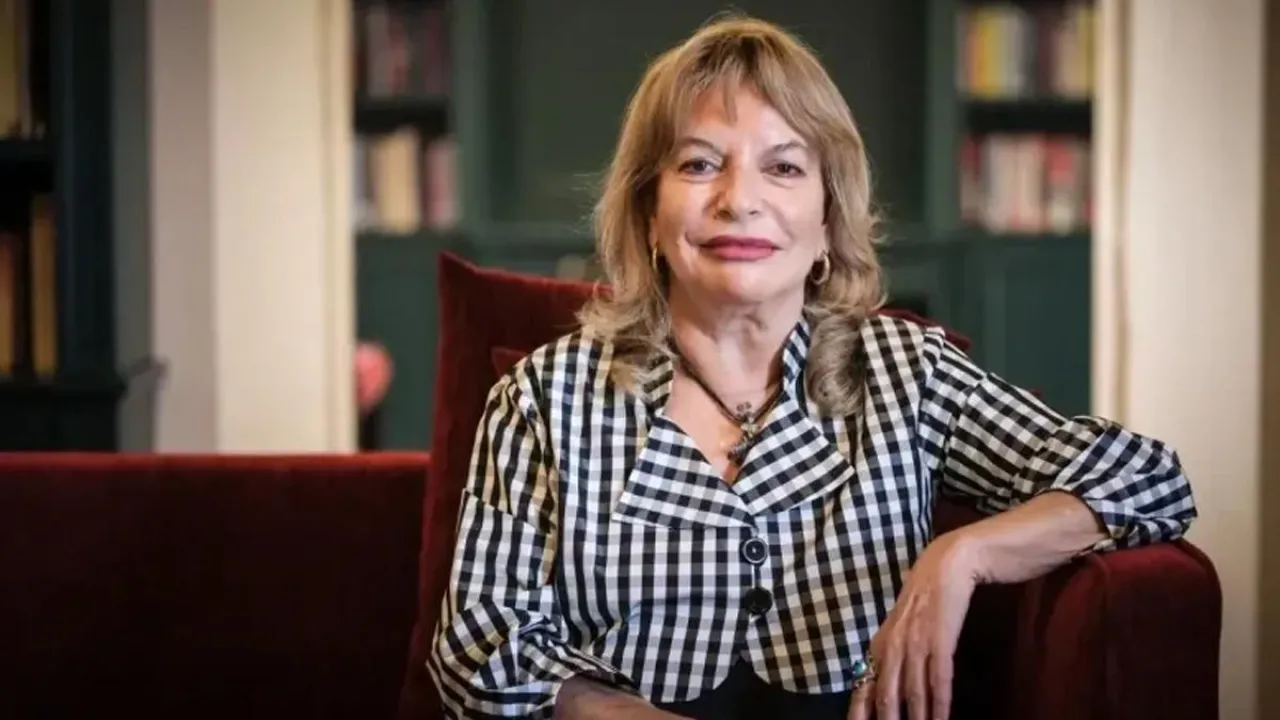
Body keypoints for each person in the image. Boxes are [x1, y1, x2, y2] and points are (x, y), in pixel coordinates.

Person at [427, 13, 1197, 720]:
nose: (740, 200)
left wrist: (962, 555)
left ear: (828, 220)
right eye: (699, 164)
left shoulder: (907, 373)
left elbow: (1146, 476)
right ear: (648, 217)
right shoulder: (545, 397)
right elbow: (476, 645)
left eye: (785, 168)